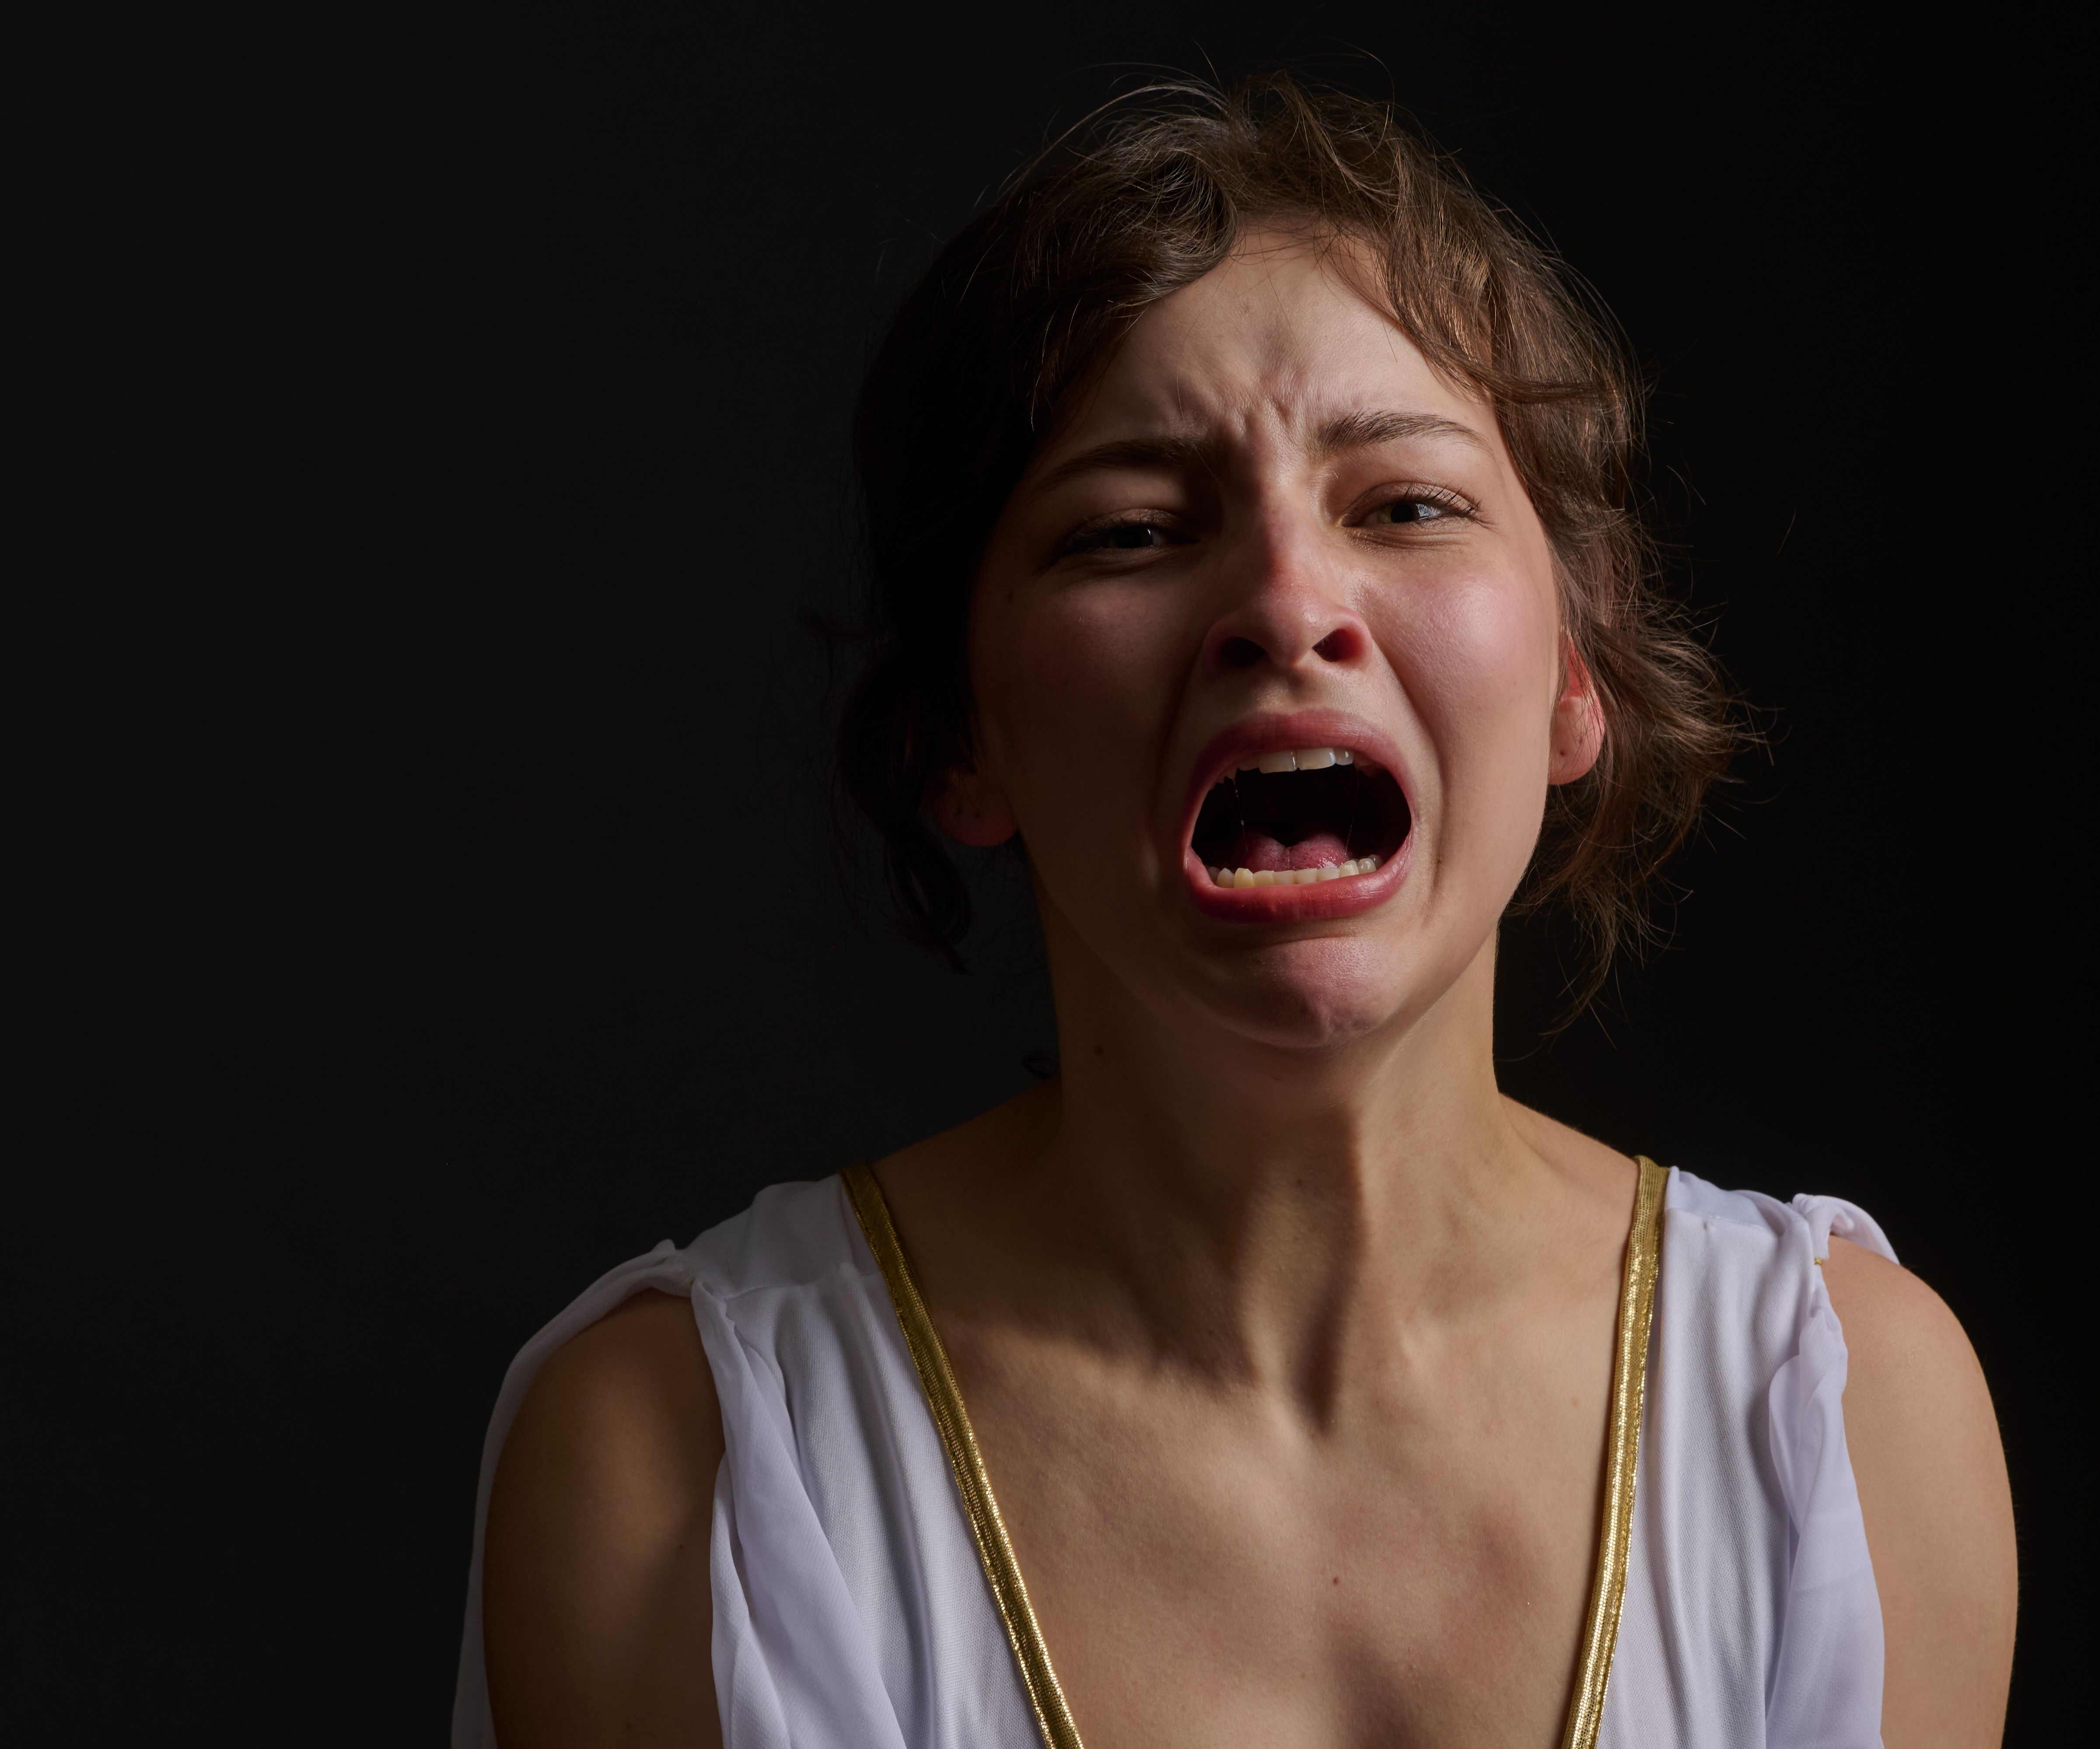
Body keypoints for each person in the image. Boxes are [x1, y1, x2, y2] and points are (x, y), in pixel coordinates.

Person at [458, 74, 2013, 1748]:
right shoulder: (676, 1463)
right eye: (1130, 531)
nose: (1286, 604)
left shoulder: (1844, 1416)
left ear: (1579, 675)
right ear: (954, 740)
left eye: (1406, 505)